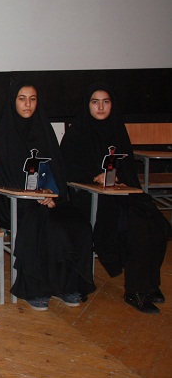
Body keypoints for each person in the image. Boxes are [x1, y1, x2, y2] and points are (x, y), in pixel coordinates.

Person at [60, 84, 169, 314]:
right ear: (87, 105)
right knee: (137, 225)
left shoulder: (117, 129)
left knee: (156, 222)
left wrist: (118, 177)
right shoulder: (77, 133)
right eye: (95, 102)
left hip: (121, 194)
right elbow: (69, 172)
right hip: (92, 199)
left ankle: (150, 284)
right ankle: (136, 291)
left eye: (106, 102)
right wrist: (95, 178)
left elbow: (128, 169)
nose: (100, 107)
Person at [0, 82, 95, 311]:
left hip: (49, 199)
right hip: (15, 201)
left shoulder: (44, 130)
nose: (28, 104)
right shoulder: (1, 133)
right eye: (22, 98)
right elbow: (3, 176)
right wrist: (33, 196)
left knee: (77, 223)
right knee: (46, 223)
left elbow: (56, 170)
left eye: (33, 98)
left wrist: (51, 193)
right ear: (13, 101)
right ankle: (36, 288)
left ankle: (67, 285)